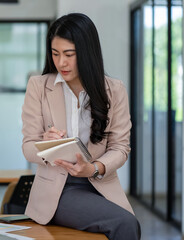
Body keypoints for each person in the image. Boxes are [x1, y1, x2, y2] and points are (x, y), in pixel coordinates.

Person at [21, 13, 141, 240]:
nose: (61, 62)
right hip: (59, 190)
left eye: (69, 54)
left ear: (87, 53)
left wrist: (94, 168)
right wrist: (45, 145)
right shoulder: (38, 86)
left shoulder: (114, 90)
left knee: (127, 223)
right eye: (55, 54)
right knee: (124, 224)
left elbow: (120, 148)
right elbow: (27, 146)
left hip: (100, 184)